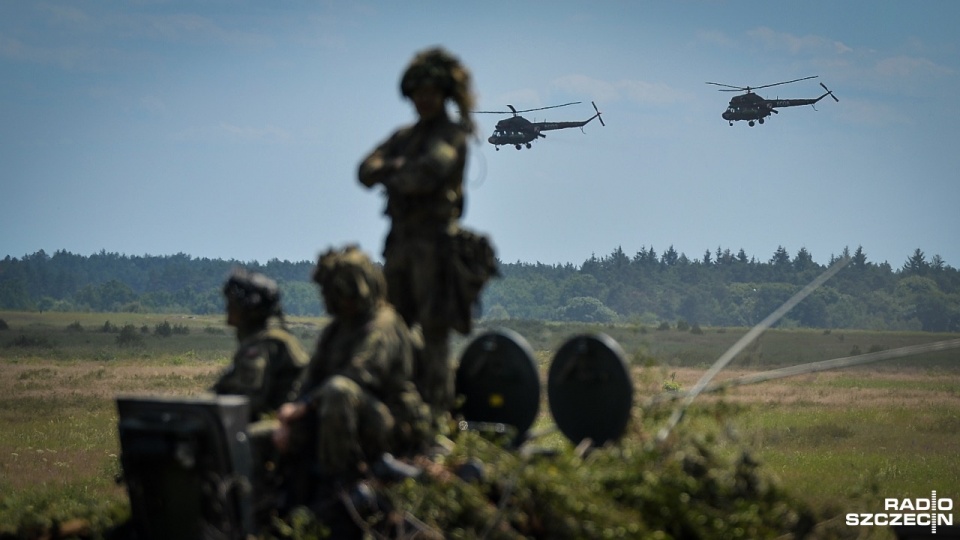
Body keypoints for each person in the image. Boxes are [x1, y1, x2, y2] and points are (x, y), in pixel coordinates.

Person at [358, 47, 497, 417]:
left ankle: (437, 420)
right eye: (418, 93)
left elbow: (428, 173)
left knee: (435, 337)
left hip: (435, 248)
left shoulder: (451, 135)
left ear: (444, 95)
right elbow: (364, 170)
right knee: (392, 329)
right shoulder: (404, 137)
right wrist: (397, 167)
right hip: (401, 244)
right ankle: (400, 415)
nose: (424, 100)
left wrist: (392, 170)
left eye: (431, 93)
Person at [273, 245, 431, 502]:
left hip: (389, 423)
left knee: (338, 391)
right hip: (344, 420)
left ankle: (341, 487)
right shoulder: (336, 330)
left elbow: (360, 373)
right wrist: (289, 419)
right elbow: (310, 379)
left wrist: (304, 405)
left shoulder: (384, 324)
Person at [212, 267, 308, 422]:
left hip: (281, 426)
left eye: (233, 303)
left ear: (249, 307)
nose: (228, 309)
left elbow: (248, 400)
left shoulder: (267, 343)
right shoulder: (263, 339)